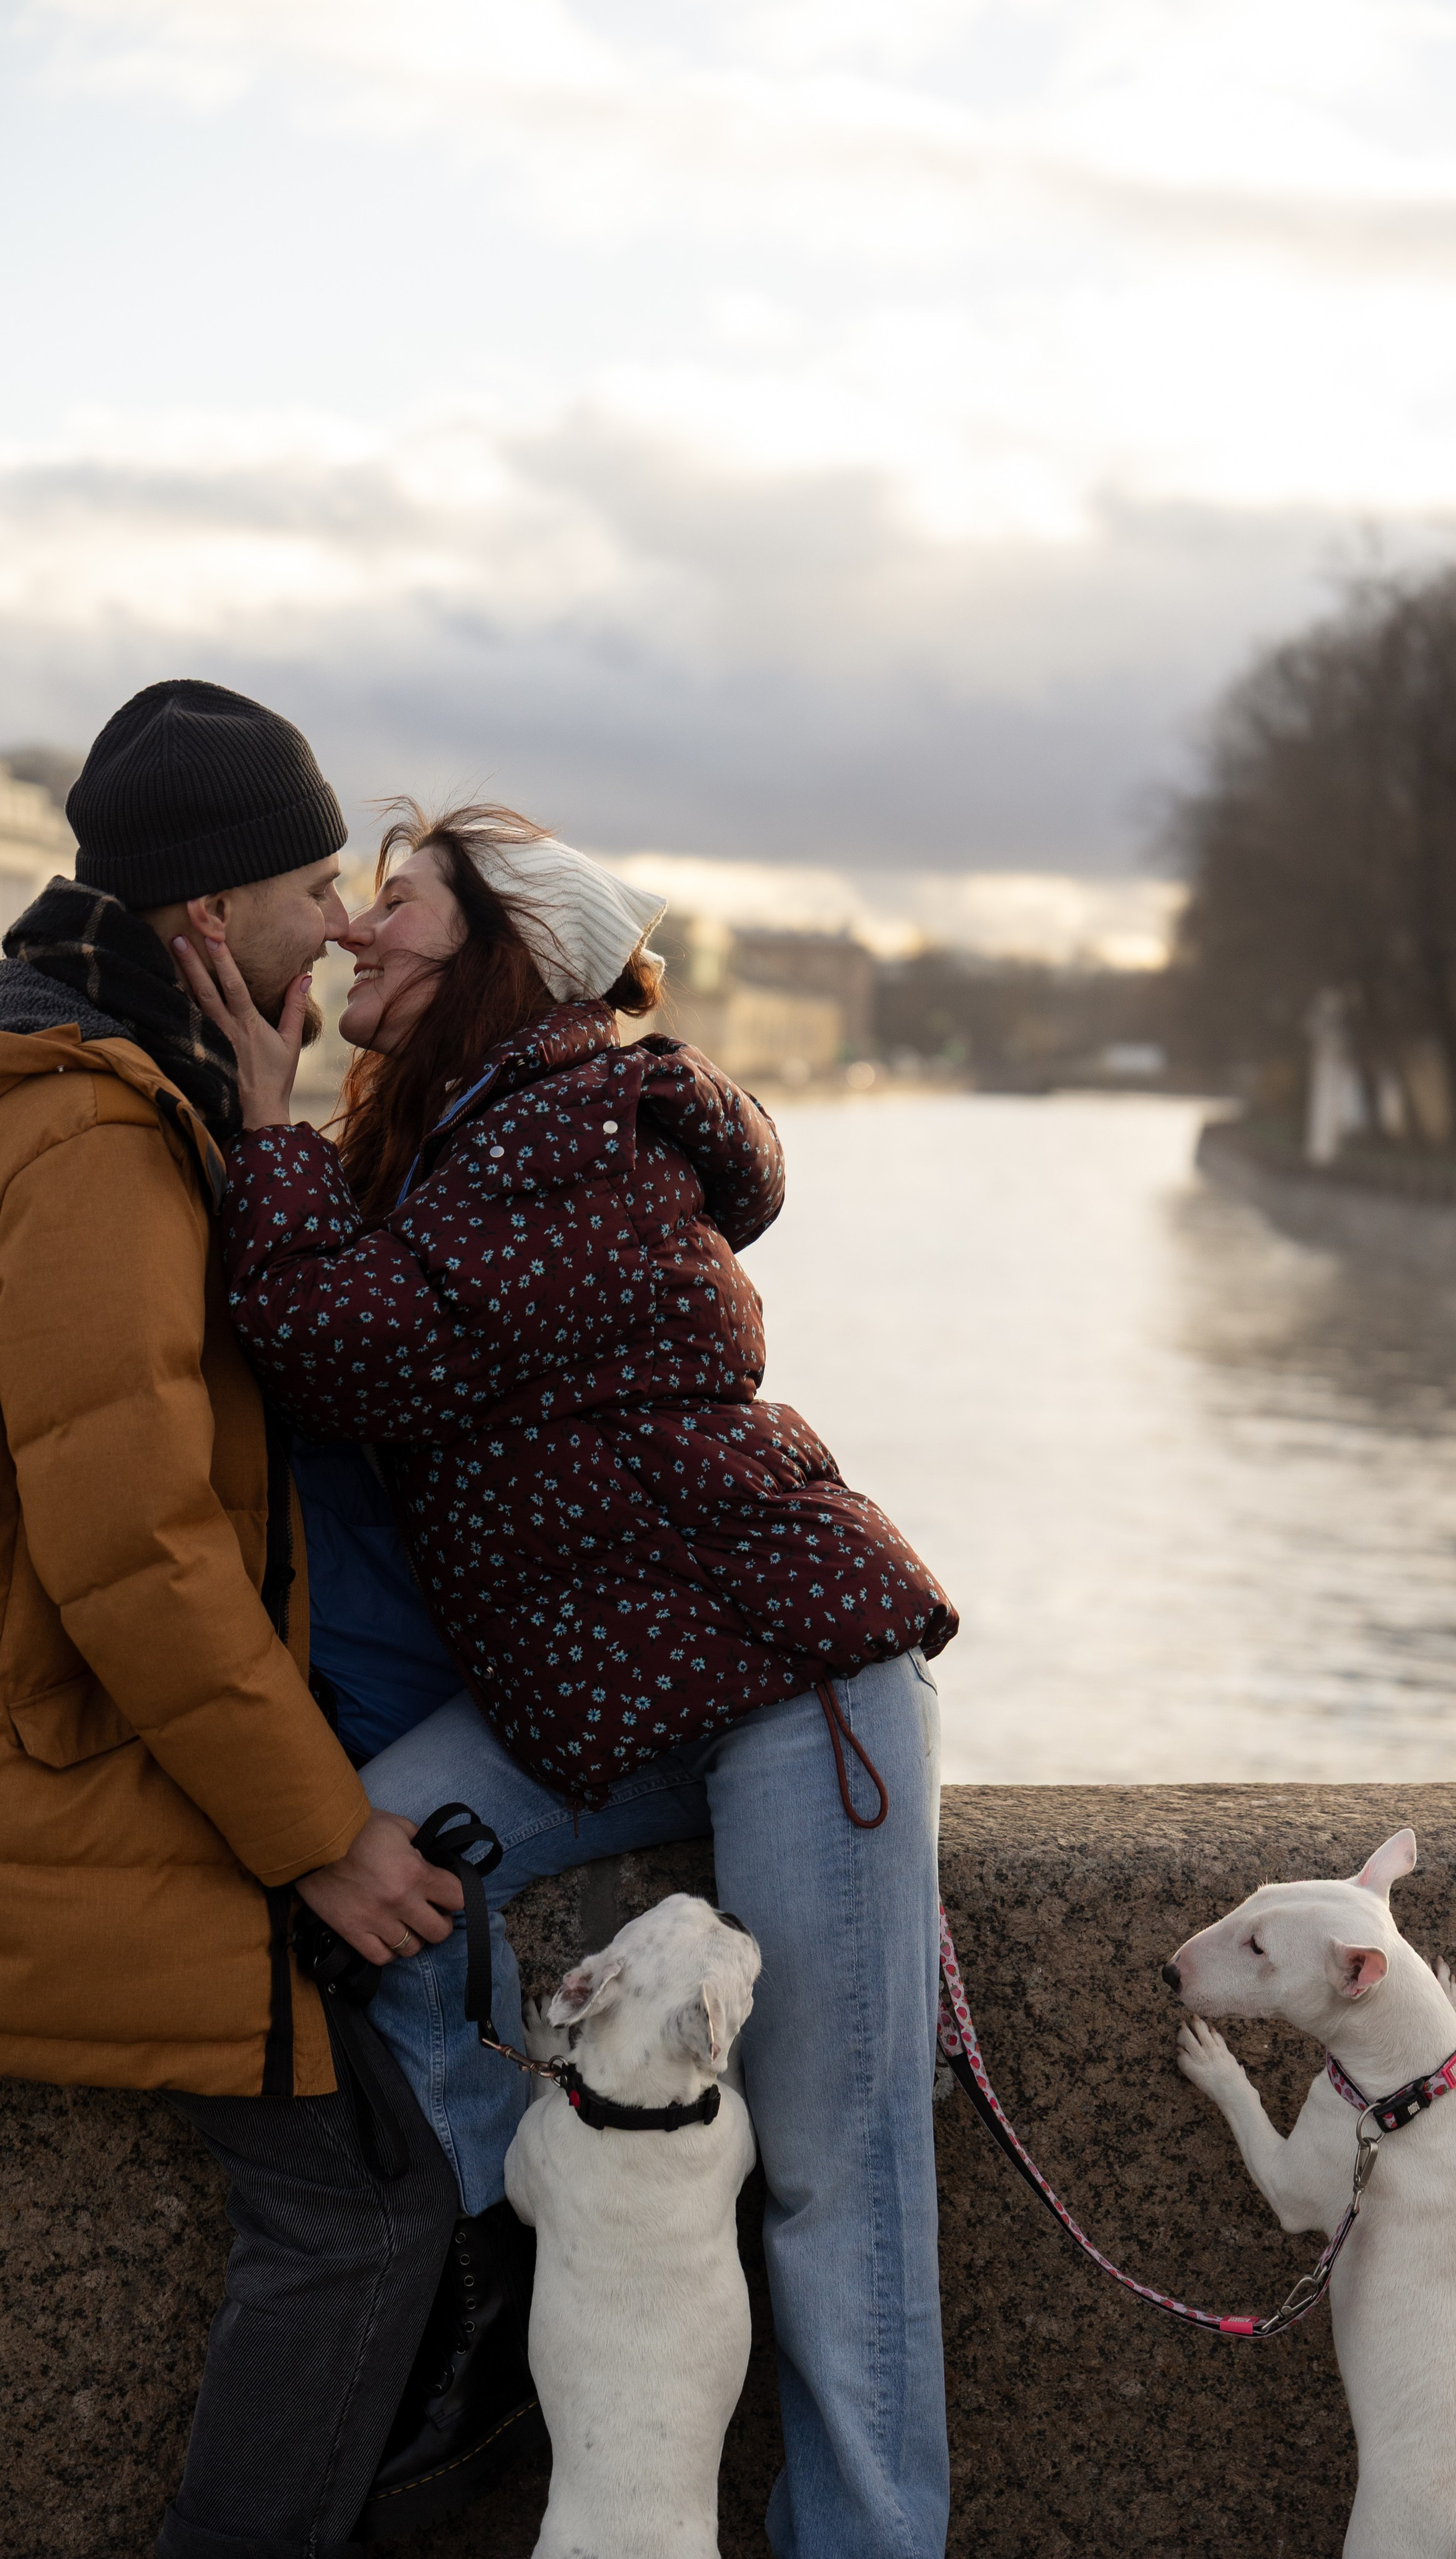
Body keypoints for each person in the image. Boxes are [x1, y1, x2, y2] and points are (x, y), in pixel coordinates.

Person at [182, 801, 961, 2559]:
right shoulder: (460, 1136)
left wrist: (258, 1123)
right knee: (359, 1875)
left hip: (787, 1669)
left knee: (840, 2177)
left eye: (399, 908)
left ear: (502, 953)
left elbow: (361, 1349)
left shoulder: (583, 1118)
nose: (362, 933)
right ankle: (539, 2230)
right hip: (608, 1698)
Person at [0, 680, 481, 2559]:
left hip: (80, 1747)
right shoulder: (98, 1130)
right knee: (366, 2201)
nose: (347, 922)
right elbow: (137, 1544)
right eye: (310, 883)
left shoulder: (101, 1073)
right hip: (69, 1784)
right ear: (208, 923)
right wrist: (325, 1841)